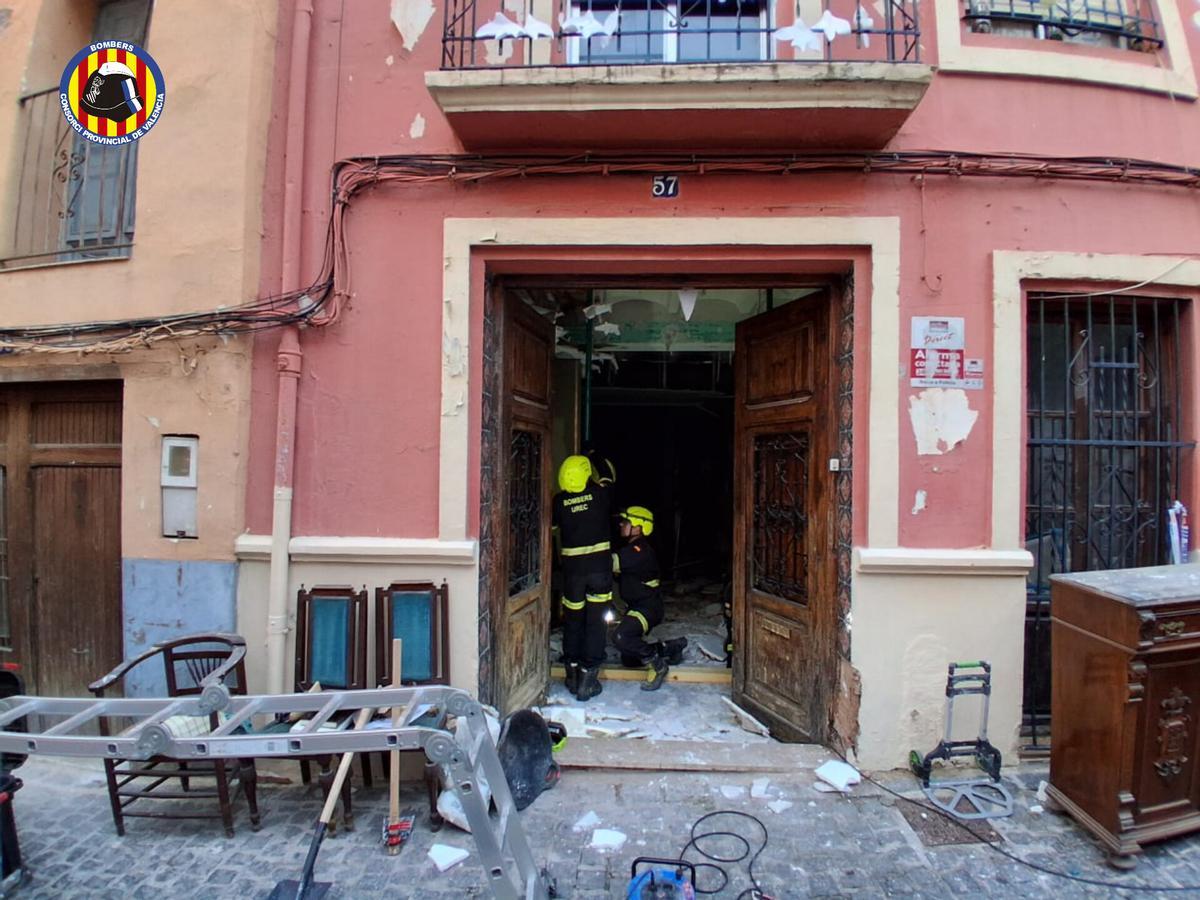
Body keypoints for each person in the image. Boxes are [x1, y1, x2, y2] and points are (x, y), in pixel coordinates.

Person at [551, 454, 613, 701]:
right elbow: (608, 475)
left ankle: (572, 675)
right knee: (596, 623)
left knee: (573, 621)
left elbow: (551, 529)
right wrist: (595, 456)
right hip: (599, 571)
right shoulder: (601, 494)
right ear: (586, 474)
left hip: (573, 574)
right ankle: (588, 681)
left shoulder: (559, 502)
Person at [611, 506, 687, 692]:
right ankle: (671, 647)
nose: (621, 524)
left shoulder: (639, 550)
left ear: (638, 527)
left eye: (626, 521)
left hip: (647, 607)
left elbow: (610, 563)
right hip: (639, 606)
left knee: (621, 637)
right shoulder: (633, 549)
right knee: (629, 658)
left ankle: (658, 666)